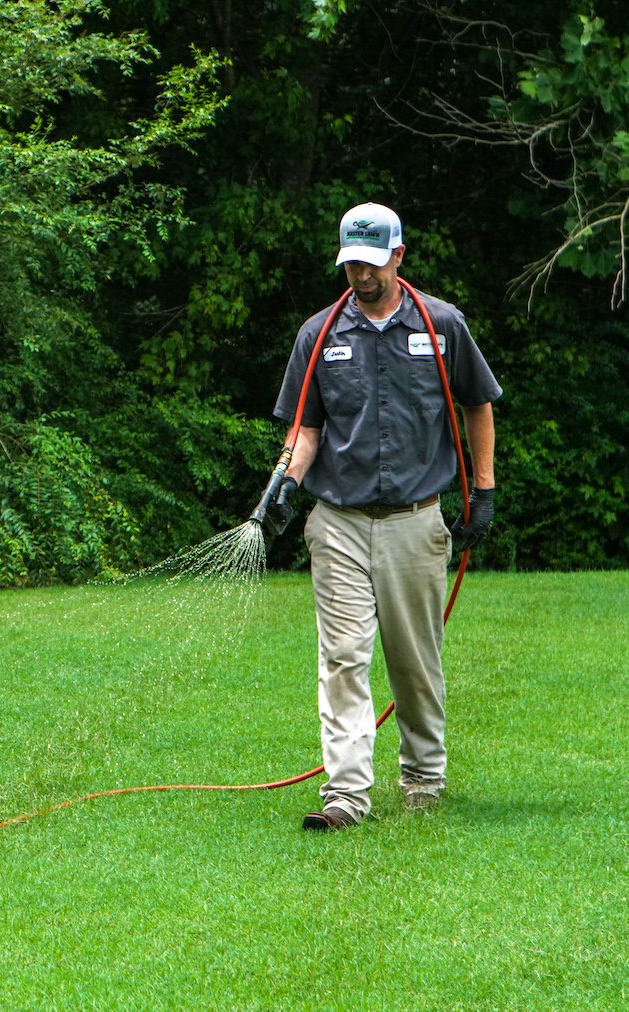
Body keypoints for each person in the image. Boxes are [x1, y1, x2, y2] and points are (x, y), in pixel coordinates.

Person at [260, 201, 501, 830]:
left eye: (371, 262)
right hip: (337, 519)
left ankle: (423, 774)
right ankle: (345, 797)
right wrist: (285, 483)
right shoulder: (319, 335)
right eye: (350, 264)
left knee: (413, 657)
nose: (360, 275)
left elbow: (478, 405)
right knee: (343, 656)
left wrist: (484, 489)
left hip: (415, 520)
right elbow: (304, 429)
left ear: (398, 255)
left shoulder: (442, 326)